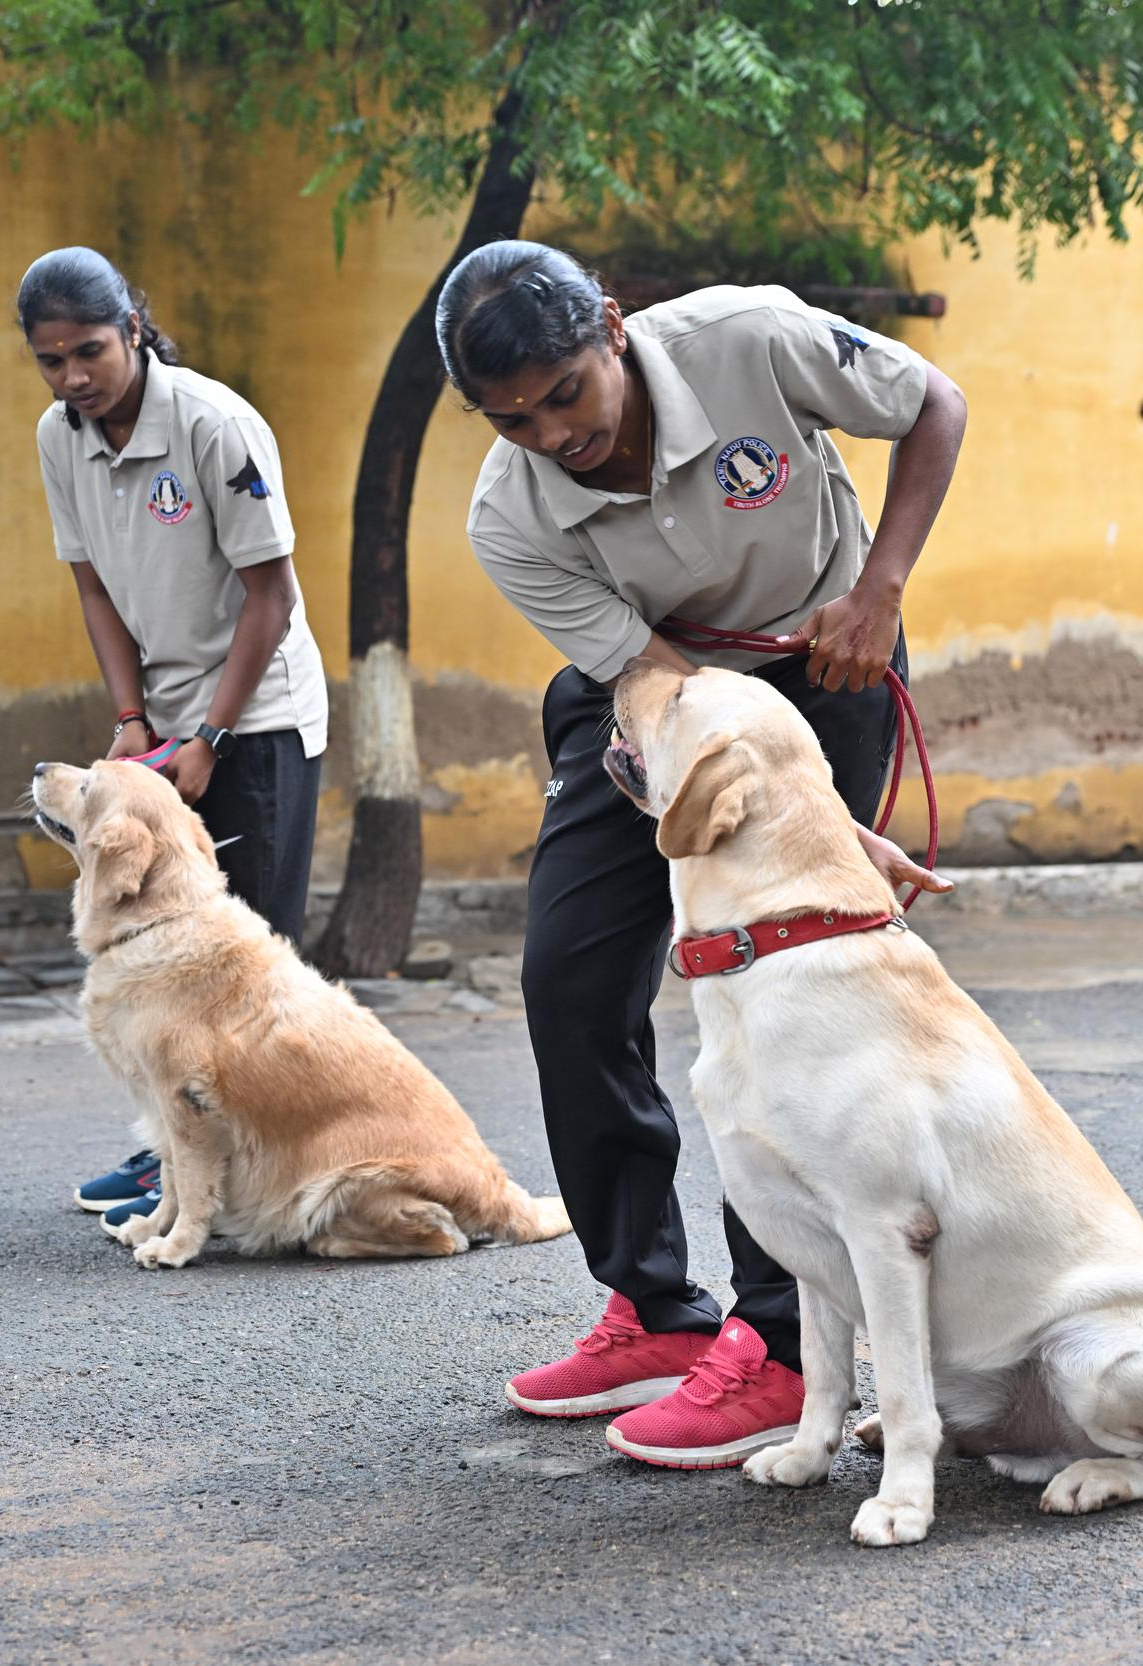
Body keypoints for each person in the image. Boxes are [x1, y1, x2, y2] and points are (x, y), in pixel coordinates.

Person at [435, 240, 965, 1469]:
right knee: (569, 975)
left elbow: (934, 401)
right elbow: (650, 678)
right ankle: (654, 1306)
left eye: (567, 392)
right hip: (651, 697)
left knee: (774, 994)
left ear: (612, 329)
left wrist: (881, 586)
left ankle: (778, 1348)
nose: (554, 434)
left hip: (828, 664)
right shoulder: (508, 516)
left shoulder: (748, 336)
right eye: (512, 420)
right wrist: (807, 823)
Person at [17, 246, 328, 1235]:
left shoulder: (212, 422)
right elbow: (94, 588)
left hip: (259, 715)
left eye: (91, 351)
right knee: (163, 964)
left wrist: (211, 732)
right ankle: (173, 1146)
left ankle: (264, 1167)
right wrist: (133, 720)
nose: (73, 377)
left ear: (134, 328)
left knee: (243, 969)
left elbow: (271, 597)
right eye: (52, 360)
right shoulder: (59, 437)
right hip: (163, 725)